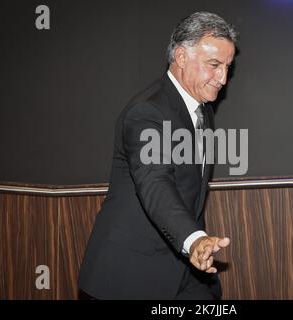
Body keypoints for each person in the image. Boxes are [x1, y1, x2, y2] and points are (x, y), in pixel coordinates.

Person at [78, 11, 237, 299]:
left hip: (188, 271)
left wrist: (195, 244)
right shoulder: (147, 113)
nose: (223, 78)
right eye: (214, 65)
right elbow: (156, 183)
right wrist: (194, 240)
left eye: (227, 67)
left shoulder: (203, 109)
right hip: (132, 274)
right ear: (181, 57)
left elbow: (190, 191)